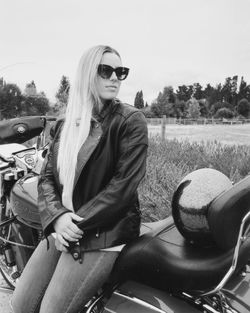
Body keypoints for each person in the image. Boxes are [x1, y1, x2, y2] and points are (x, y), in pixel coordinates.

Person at [11, 45, 148, 313]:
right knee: (21, 303)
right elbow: (47, 177)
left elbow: (121, 190)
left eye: (120, 72)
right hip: (65, 225)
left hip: (102, 233)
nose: (114, 78)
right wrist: (57, 218)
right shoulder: (67, 123)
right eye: (105, 70)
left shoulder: (130, 121)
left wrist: (71, 227)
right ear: (87, 73)